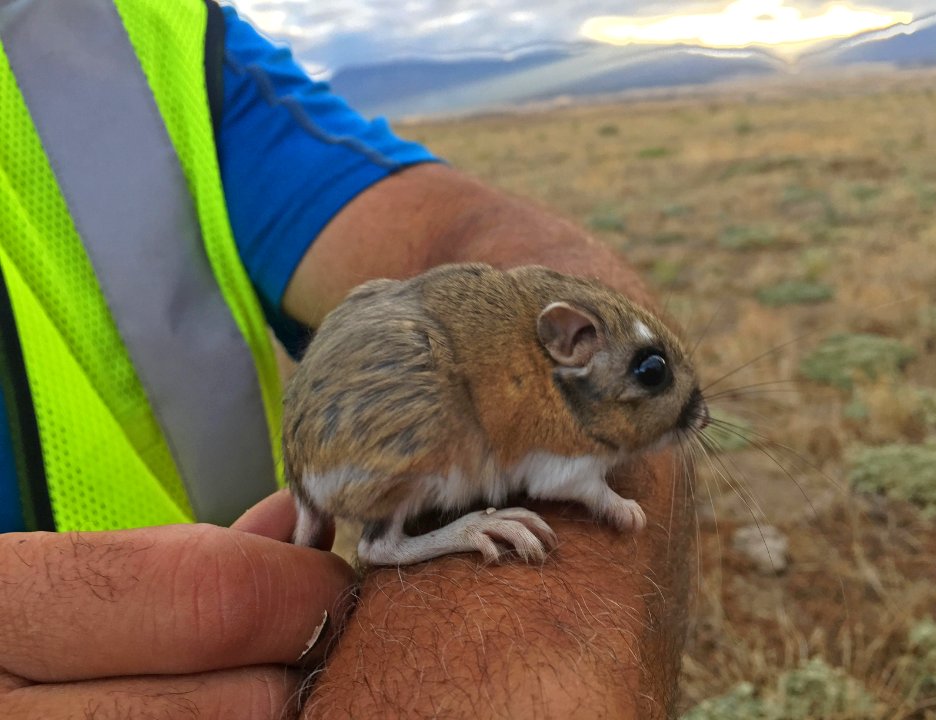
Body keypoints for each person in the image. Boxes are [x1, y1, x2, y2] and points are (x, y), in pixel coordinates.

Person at [0, 1, 692, 717]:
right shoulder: (535, 402)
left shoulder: (141, 30)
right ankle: (392, 541)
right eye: (648, 377)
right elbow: (552, 467)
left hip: (268, 576)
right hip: (331, 510)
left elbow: (459, 225)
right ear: (568, 347)